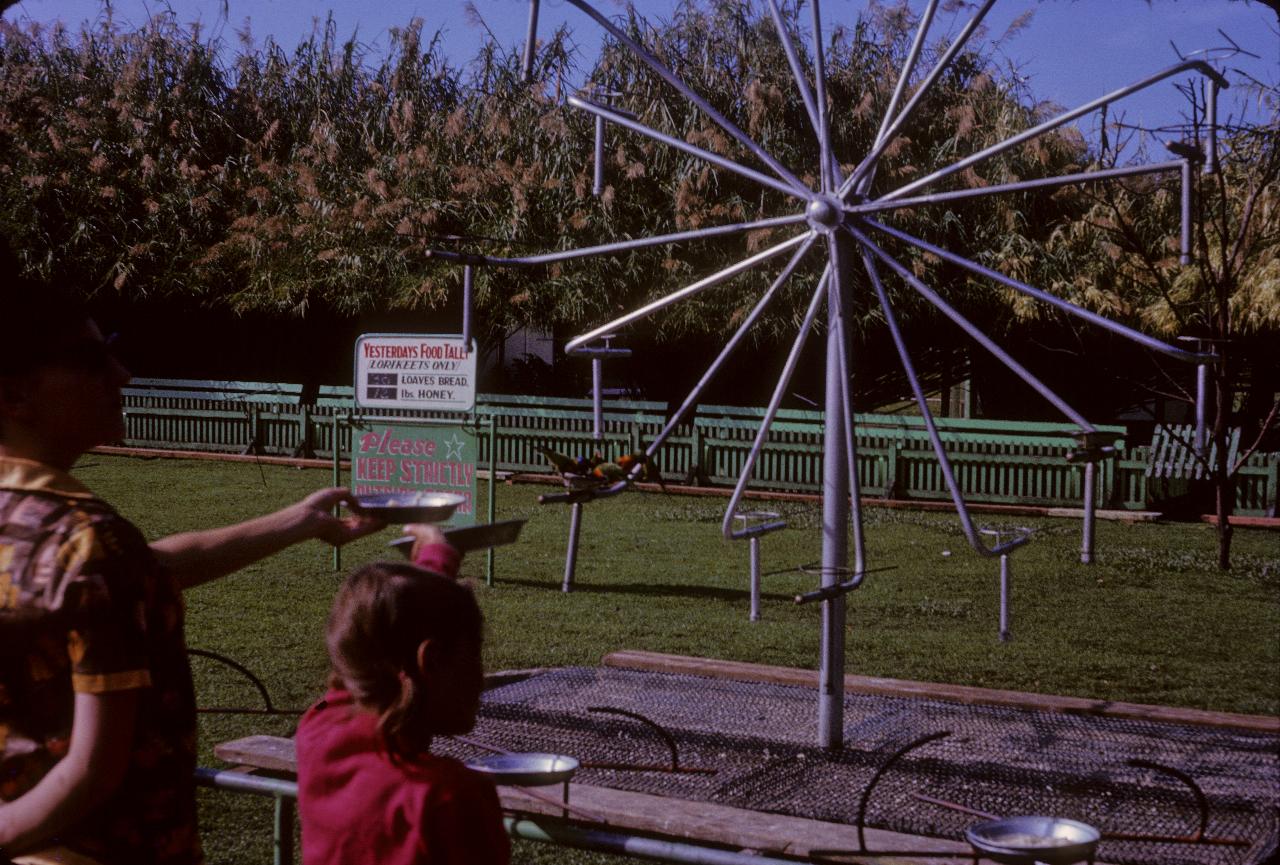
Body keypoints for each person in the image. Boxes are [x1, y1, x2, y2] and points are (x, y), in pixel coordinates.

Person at [0, 250, 385, 865]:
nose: (121, 374)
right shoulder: (90, 544)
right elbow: (96, 773)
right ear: (15, 394)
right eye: (92, 360)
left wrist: (299, 520)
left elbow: (150, 571)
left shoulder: (64, 539)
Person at [295, 528, 509, 865]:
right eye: (476, 655)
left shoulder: (317, 727)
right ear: (432, 660)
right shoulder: (449, 795)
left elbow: (370, 652)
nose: (480, 678)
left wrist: (436, 559)